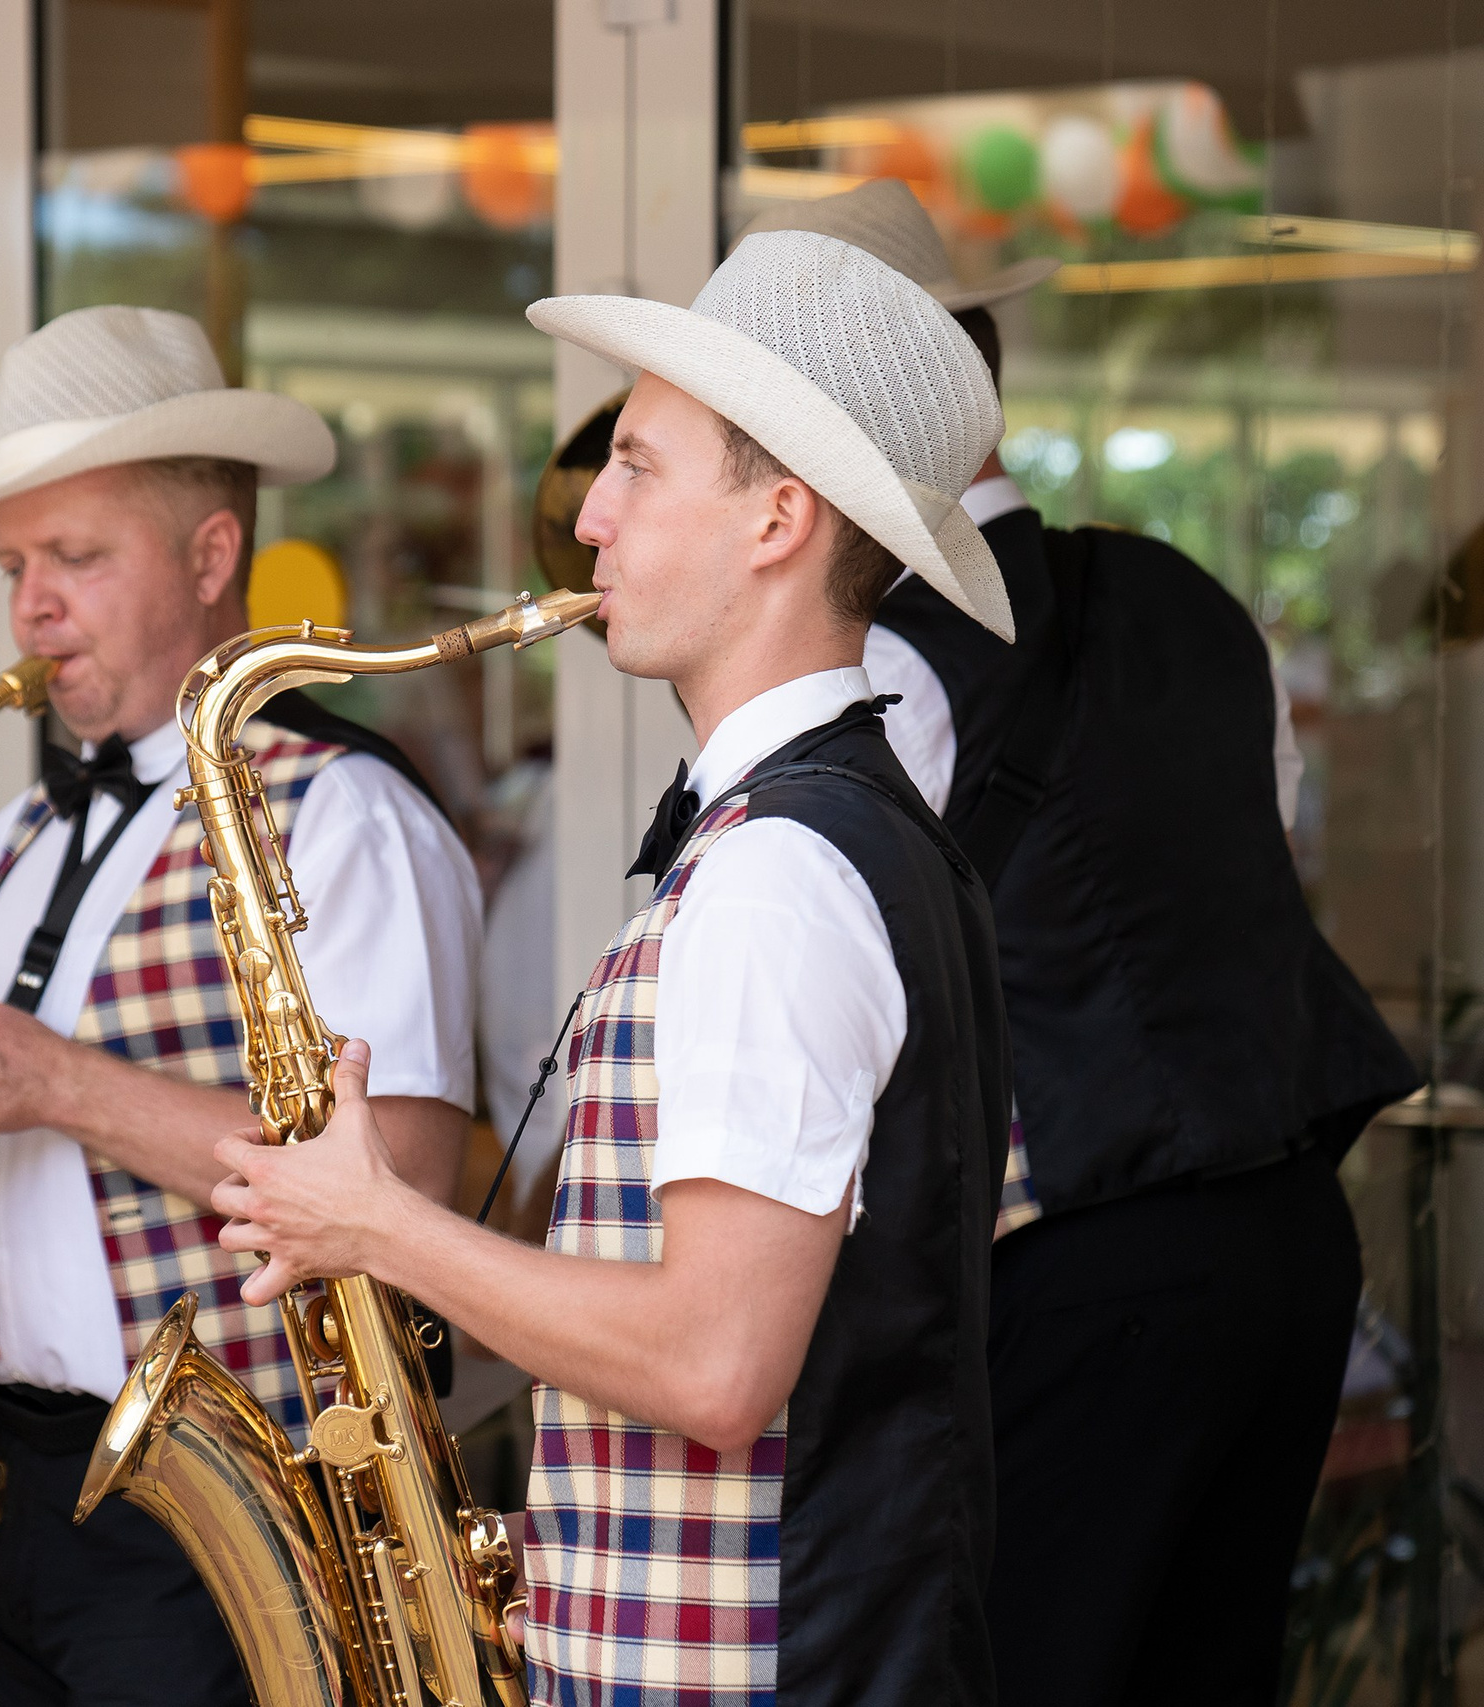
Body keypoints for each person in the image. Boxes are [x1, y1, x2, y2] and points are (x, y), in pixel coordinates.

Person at [211, 231, 1015, 1703]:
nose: (588, 519)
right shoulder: (834, 836)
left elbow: (716, 1363)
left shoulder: (778, 876)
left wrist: (371, 1219)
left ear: (778, 517)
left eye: (640, 464)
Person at [748, 178, 1420, 1704]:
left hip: (1081, 1272)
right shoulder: (1190, 597)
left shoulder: (881, 667)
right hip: (1289, 1238)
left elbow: (832, 984)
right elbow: (1256, 863)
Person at [0, 303, 483, 1707]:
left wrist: (50, 1081)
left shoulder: (344, 811)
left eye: (77, 557)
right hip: (7, 1488)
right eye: (16, 562)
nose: (31, 603)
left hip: (214, 1509)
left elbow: (402, 1176)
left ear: (214, 556)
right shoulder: (35, 823)